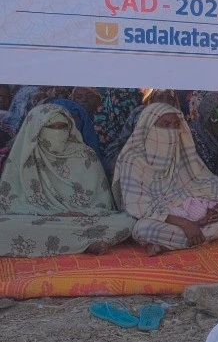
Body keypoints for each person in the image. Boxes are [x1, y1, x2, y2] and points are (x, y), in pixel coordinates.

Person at [113, 103, 218, 255]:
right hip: (164, 221)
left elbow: (208, 182)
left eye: (176, 125)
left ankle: (175, 243)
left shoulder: (180, 150)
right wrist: (185, 224)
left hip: (199, 217)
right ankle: (195, 238)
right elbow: (139, 207)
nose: (172, 131)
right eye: (165, 125)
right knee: (142, 229)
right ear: (149, 127)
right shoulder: (132, 159)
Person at [0, 103, 135, 257]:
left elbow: (102, 205)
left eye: (62, 127)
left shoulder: (85, 155)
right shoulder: (24, 157)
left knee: (127, 221)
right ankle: (85, 243)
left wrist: (79, 213)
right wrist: (54, 213)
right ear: (36, 129)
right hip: (39, 219)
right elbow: (10, 204)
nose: (57, 133)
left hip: (82, 220)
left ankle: (83, 241)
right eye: (51, 127)